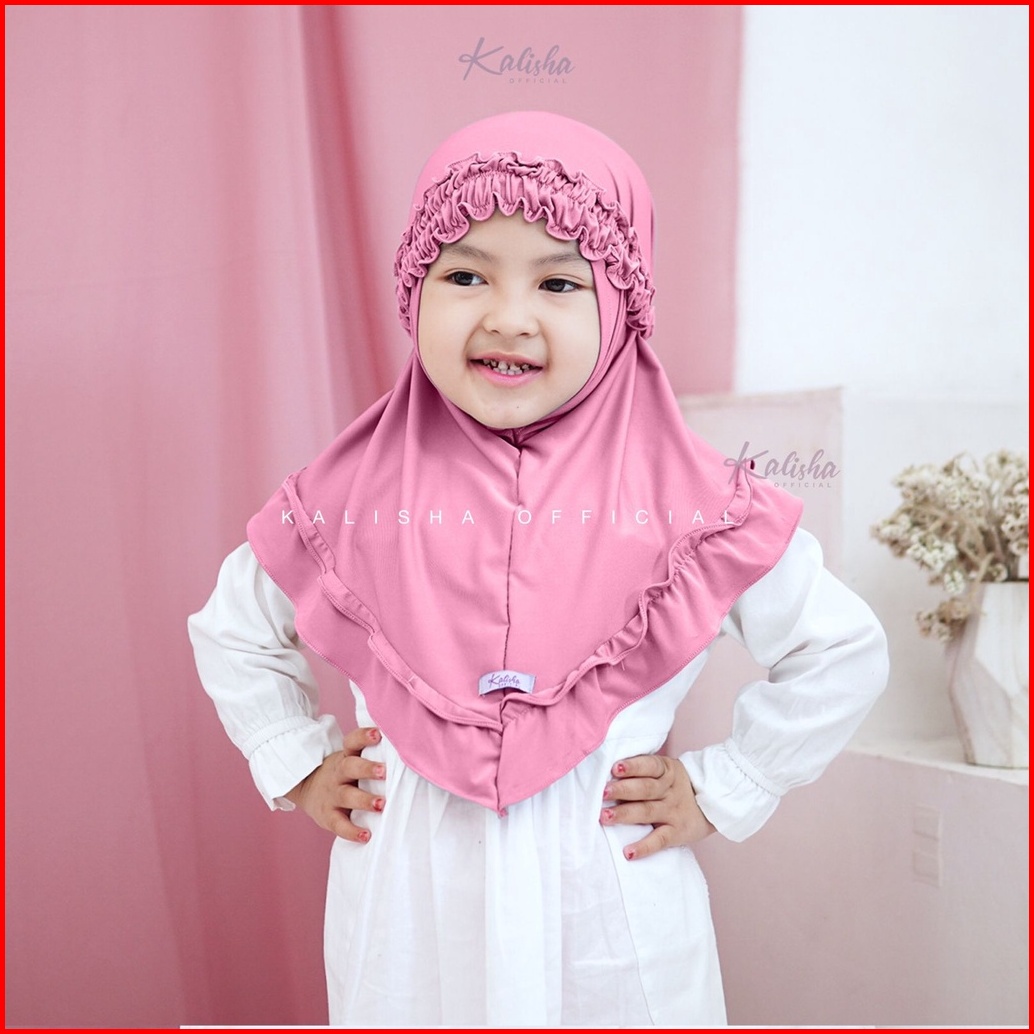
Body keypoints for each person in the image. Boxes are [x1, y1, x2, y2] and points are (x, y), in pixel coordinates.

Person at [188, 111, 888, 1027]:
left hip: (608, 907)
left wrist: (725, 787)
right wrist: (297, 761)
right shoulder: (354, 493)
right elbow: (234, 628)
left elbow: (842, 650)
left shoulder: (689, 502)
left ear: (620, 305)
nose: (507, 317)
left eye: (558, 282)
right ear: (414, 292)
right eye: (465, 275)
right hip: (409, 918)